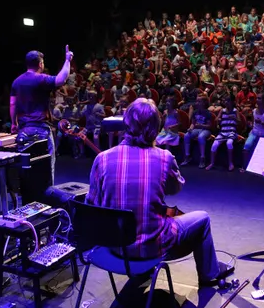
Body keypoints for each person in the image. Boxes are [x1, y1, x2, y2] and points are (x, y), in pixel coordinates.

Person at [86, 99, 232, 286]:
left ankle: (142, 274)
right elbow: (174, 189)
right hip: (152, 247)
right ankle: (209, 274)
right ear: (156, 127)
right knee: (202, 218)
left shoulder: (102, 158)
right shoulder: (164, 157)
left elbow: (93, 204)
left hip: (113, 247)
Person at [10, 46, 74, 185]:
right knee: (46, 169)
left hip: (24, 131)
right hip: (41, 130)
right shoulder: (41, 79)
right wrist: (67, 60)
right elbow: (60, 79)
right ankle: (47, 200)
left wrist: (14, 124)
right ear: (40, 64)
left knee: (26, 169)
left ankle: (28, 200)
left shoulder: (16, 82)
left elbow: (12, 105)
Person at [207, 94, 239, 171]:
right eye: (225, 101)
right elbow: (216, 119)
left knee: (229, 143)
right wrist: (219, 119)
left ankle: (230, 163)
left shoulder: (235, 111)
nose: (226, 102)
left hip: (232, 132)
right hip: (222, 132)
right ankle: (212, 163)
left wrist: (234, 118)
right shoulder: (222, 110)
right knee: (214, 145)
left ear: (232, 102)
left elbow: (239, 121)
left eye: (228, 101)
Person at [181, 96, 214, 168]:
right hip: (196, 129)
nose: (197, 103)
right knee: (187, 135)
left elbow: (209, 126)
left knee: (201, 137)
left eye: (199, 101)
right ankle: (187, 157)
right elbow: (193, 123)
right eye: (197, 101)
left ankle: (202, 158)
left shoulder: (207, 113)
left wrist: (201, 125)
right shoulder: (195, 112)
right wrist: (190, 128)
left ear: (204, 103)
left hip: (206, 130)